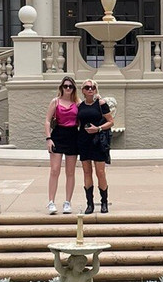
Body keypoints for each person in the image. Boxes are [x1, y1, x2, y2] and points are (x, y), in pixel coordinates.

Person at [76, 78, 115, 214]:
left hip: (98, 141)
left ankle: (104, 202)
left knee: (100, 172)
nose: (90, 89)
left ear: (96, 89)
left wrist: (98, 128)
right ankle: (90, 204)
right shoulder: (80, 106)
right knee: (87, 172)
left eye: (92, 87)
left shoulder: (101, 104)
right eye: (87, 87)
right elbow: (77, 123)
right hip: (84, 141)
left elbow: (111, 121)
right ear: (83, 90)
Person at [44, 76, 79, 214]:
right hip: (58, 135)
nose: (68, 88)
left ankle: (67, 202)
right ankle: (51, 202)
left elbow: (87, 113)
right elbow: (47, 121)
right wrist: (48, 138)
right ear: (62, 87)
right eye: (66, 86)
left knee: (70, 172)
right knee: (54, 170)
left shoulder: (77, 103)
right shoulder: (55, 101)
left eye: (70, 86)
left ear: (74, 88)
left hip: (73, 136)